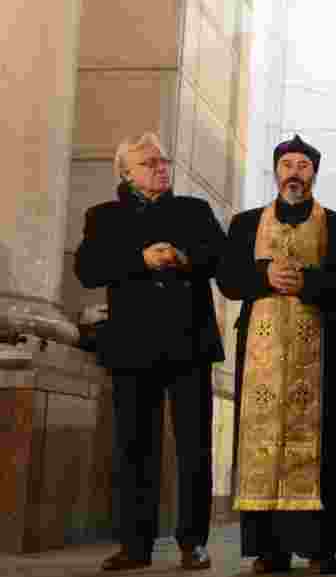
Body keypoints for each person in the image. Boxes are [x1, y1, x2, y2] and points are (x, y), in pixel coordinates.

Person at [74, 132, 224, 571]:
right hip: (133, 346)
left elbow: (219, 257)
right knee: (134, 448)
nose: (162, 168)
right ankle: (134, 545)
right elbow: (87, 269)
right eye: (150, 163)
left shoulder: (192, 210)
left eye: (164, 161)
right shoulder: (102, 217)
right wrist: (140, 259)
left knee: (195, 448)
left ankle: (193, 542)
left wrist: (181, 256)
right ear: (126, 172)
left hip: (189, 344)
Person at [217, 135, 336, 574]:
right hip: (259, 356)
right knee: (260, 447)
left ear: (313, 173)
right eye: (287, 164)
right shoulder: (245, 224)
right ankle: (268, 549)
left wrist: (307, 283)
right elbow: (228, 280)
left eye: (302, 165)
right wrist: (264, 276)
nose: (294, 172)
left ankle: (321, 547)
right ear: (277, 171)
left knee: (317, 447)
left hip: (313, 356)